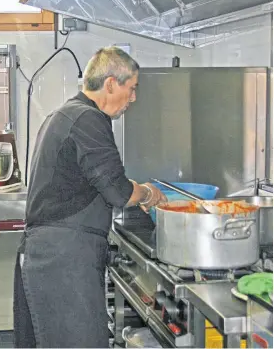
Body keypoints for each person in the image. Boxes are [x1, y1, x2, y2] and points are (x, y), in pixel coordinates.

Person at [13, 46, 167, 348]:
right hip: (63, 259)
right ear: (110, 84)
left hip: (53, 254)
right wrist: (149, 193)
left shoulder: (66, 114)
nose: (133, 99)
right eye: (131, 88)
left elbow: (101, 179)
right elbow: (119, 191)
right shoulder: (89, 119)